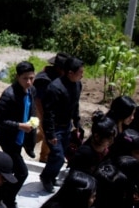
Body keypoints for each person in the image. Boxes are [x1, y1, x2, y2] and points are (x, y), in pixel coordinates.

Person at [0, 60, 36, 207]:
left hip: (21, 138)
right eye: (25, 78)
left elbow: (31, 110)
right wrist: (19, 126)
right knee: (22, 172)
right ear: (18, 77)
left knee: (10, 172)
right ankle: (7, 199)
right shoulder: (9, 95)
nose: (29, 82)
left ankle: (1, 197)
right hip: (8, 139)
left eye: (31, 78)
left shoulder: (31, 91)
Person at [40, 56, 84, 193]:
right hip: (55, 128)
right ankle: (46, 177)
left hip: (66, 126)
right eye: (80, 72)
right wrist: (51, 133)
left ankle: (51, 177)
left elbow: (75, 104)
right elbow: (49, 113)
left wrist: (77, 121)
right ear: (70, 73)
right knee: (58, 155)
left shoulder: (77, 85)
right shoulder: (55, 88)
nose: (82, 75)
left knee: (62, 154)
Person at [34, 52, 69, 162]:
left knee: (44, 132)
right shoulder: (44, 79)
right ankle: (43, 157)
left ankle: (27, 142)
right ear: (60, 68)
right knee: (48, 133)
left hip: (51, 110)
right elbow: (37, 100)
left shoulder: (60, 77)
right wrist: (43, 117)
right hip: (41, 109)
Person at [69, 110, 116, 175]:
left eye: (113, 138)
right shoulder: (84, 154)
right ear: (97, 136)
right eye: (108, 139)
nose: (112, 141)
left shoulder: (105, 150)